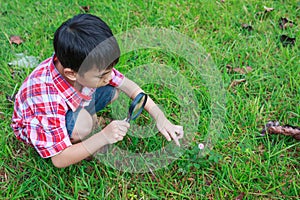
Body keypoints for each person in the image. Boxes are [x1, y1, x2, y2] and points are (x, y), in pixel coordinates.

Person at [11, 14, 184, 168]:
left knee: (112, 91)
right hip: (41, 124)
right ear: (72, 73)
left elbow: (129, 87)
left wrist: (160, 117)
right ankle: (79, 134)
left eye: (110, 71)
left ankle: (87, 120)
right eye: (103, 75)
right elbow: (59, 159)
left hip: (72, 98)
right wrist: (103, 136)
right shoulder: (48, 98)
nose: (109, 78)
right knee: (84, 125)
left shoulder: (86, 64)